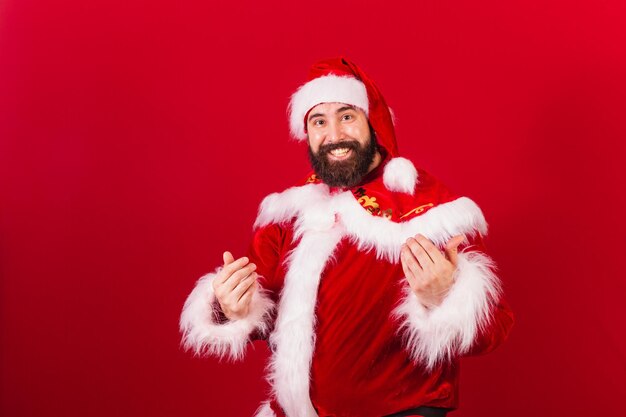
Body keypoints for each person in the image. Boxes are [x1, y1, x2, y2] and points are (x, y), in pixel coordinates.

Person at [179, 57, 514, 417]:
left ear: (372, 123)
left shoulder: (431, 209)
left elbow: (492, 329)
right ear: (306, 132)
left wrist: (444, 296)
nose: (334, 135)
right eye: (319, 121)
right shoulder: (286, 215)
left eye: (347, 116)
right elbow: (260, 312)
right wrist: (230, 306)